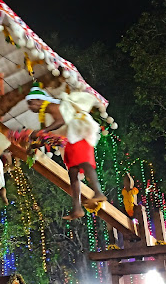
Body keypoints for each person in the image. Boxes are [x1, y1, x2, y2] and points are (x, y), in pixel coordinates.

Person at [25, 85, 106, 219]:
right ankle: (77, 208)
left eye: (31, 102)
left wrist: (42, 132)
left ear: (39, 100)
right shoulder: (46, 113)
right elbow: (52, 135)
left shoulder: (52, 106)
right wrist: (36, 143)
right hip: (69, 140)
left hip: (78, 134)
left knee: (84, 163)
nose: (30, 106)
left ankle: (98, 192)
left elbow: (61, 121)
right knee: (73, 172)